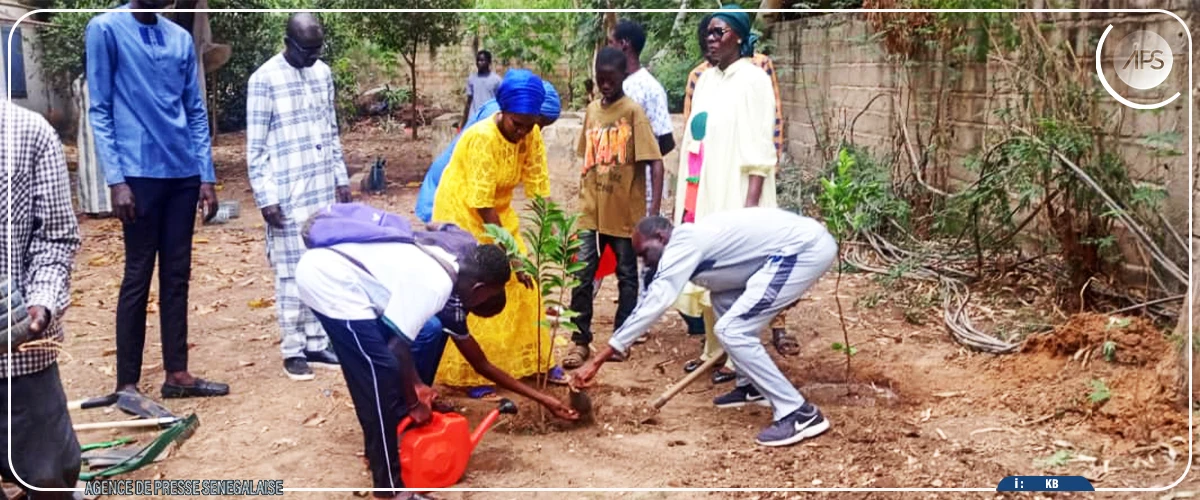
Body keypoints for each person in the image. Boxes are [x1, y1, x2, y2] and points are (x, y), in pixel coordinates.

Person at [295, 232, 578, 498]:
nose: (472, 312)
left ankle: (385, 450)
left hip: (345, 276)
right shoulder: (437, 285)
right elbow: (396, 346)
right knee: (377, 375)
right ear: (479, 290)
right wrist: (415, 394)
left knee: (392, 366)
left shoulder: (457, 269)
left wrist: (545, 400)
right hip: (332, 282)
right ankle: (391, 488)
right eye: (486, 299)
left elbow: (481, 364)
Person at [571, 208, 835, 447]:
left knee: (732, 330)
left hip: (801, 249)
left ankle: (798, 413)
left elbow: (656, 301)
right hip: (788, 251)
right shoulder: (692, 240)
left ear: (662, 237)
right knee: (722, 299)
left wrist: (600, 358)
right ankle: (751, 386)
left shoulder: (682, 245)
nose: (645, 262)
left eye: (644, 253)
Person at [86, 0, 229, 398]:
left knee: (177, 274)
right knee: (138, 274)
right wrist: (116, 179)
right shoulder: (106, 29)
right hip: (138, 173)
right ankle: (127, 382)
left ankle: (177, 373)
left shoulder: (180, 38)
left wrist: (206, 176)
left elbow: (195, 110)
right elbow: (100, 108)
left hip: (183, 173)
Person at [674, 7, 798, 386]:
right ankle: (712, 350)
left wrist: (750, 209)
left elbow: (761, 147)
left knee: (736, 275)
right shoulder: (706, 79)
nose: (711, 38)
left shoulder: (753, 79)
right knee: (708, 268)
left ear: (740, 38)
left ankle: (736, 359)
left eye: (720, 32)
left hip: (739, 190)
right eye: (709, 32)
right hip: (704, 186)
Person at [432, 69, 567, 398]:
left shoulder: (531, 133)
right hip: (464, 211)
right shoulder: (482, 138)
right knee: (480, 286)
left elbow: (538, 188)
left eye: (529, 124)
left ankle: (536, 360)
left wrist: (555, 231)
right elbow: (480, 204)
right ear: (502, 111)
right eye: (516, 124)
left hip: (498, 209)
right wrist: (511, 254)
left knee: (526, 282)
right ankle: (475, 373)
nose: (522, 132)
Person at [246, 13, 350, 381]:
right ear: (288, 42)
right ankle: (293, 349)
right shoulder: (263, 81)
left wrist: (341, 179)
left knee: (320, 268)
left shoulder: (322, 74)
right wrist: (266, 198)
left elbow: (331, 128)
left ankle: (316, 342)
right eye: (307, 50)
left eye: (317, 49)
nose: (313, 56)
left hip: (321, 190)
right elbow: (255, 148)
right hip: (286, 195)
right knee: (291, 275)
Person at [0, 100, 84, 499]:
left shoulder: (27, 133)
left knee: (49, 478)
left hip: (18, 357)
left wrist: (42, 302)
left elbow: (55, 237)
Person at [561, 47, 663, 369]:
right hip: (591, 211)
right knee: (582, 275)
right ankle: (580, 341)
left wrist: (652, 216)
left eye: (612, 79)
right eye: (600, 79)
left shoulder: (633, 112)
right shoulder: (592, 111)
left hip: (625, 216)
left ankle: (621, 338)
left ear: (623, 77)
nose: (605, 85)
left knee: (627, 277)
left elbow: (655, 164)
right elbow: (587, 158)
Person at [415, 80, 562, 224]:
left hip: (472, 194)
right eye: (539, 124)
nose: (537, 130)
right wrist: (504, 242)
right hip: (452, 185)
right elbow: (483, 202)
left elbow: (537, 185)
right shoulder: (494, 123)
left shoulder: (514, 122)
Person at [608, 19, 675, 216]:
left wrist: (639, 160)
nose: (609, 49)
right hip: (615, 188)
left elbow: (666, 140)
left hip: (642, 192)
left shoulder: (649, 88)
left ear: (624, 44)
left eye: (611, 43)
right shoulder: (616, 85)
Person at [73, 68, 112, 218]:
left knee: (100, 166)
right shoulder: (79, 82)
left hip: (97, 128)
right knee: (89, 168)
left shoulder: (105, 79)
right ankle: (95, 205)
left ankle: (103, 205)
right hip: (88, 131)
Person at [461, 50, 502, 128]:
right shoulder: (472, 79)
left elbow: (501, 100)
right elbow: (468, 102)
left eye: (482, 60)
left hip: (489, 119)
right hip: (474, 118)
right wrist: (464, 122)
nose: (479, 63)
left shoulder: (497, 80)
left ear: (489, 62)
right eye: (478, 60)